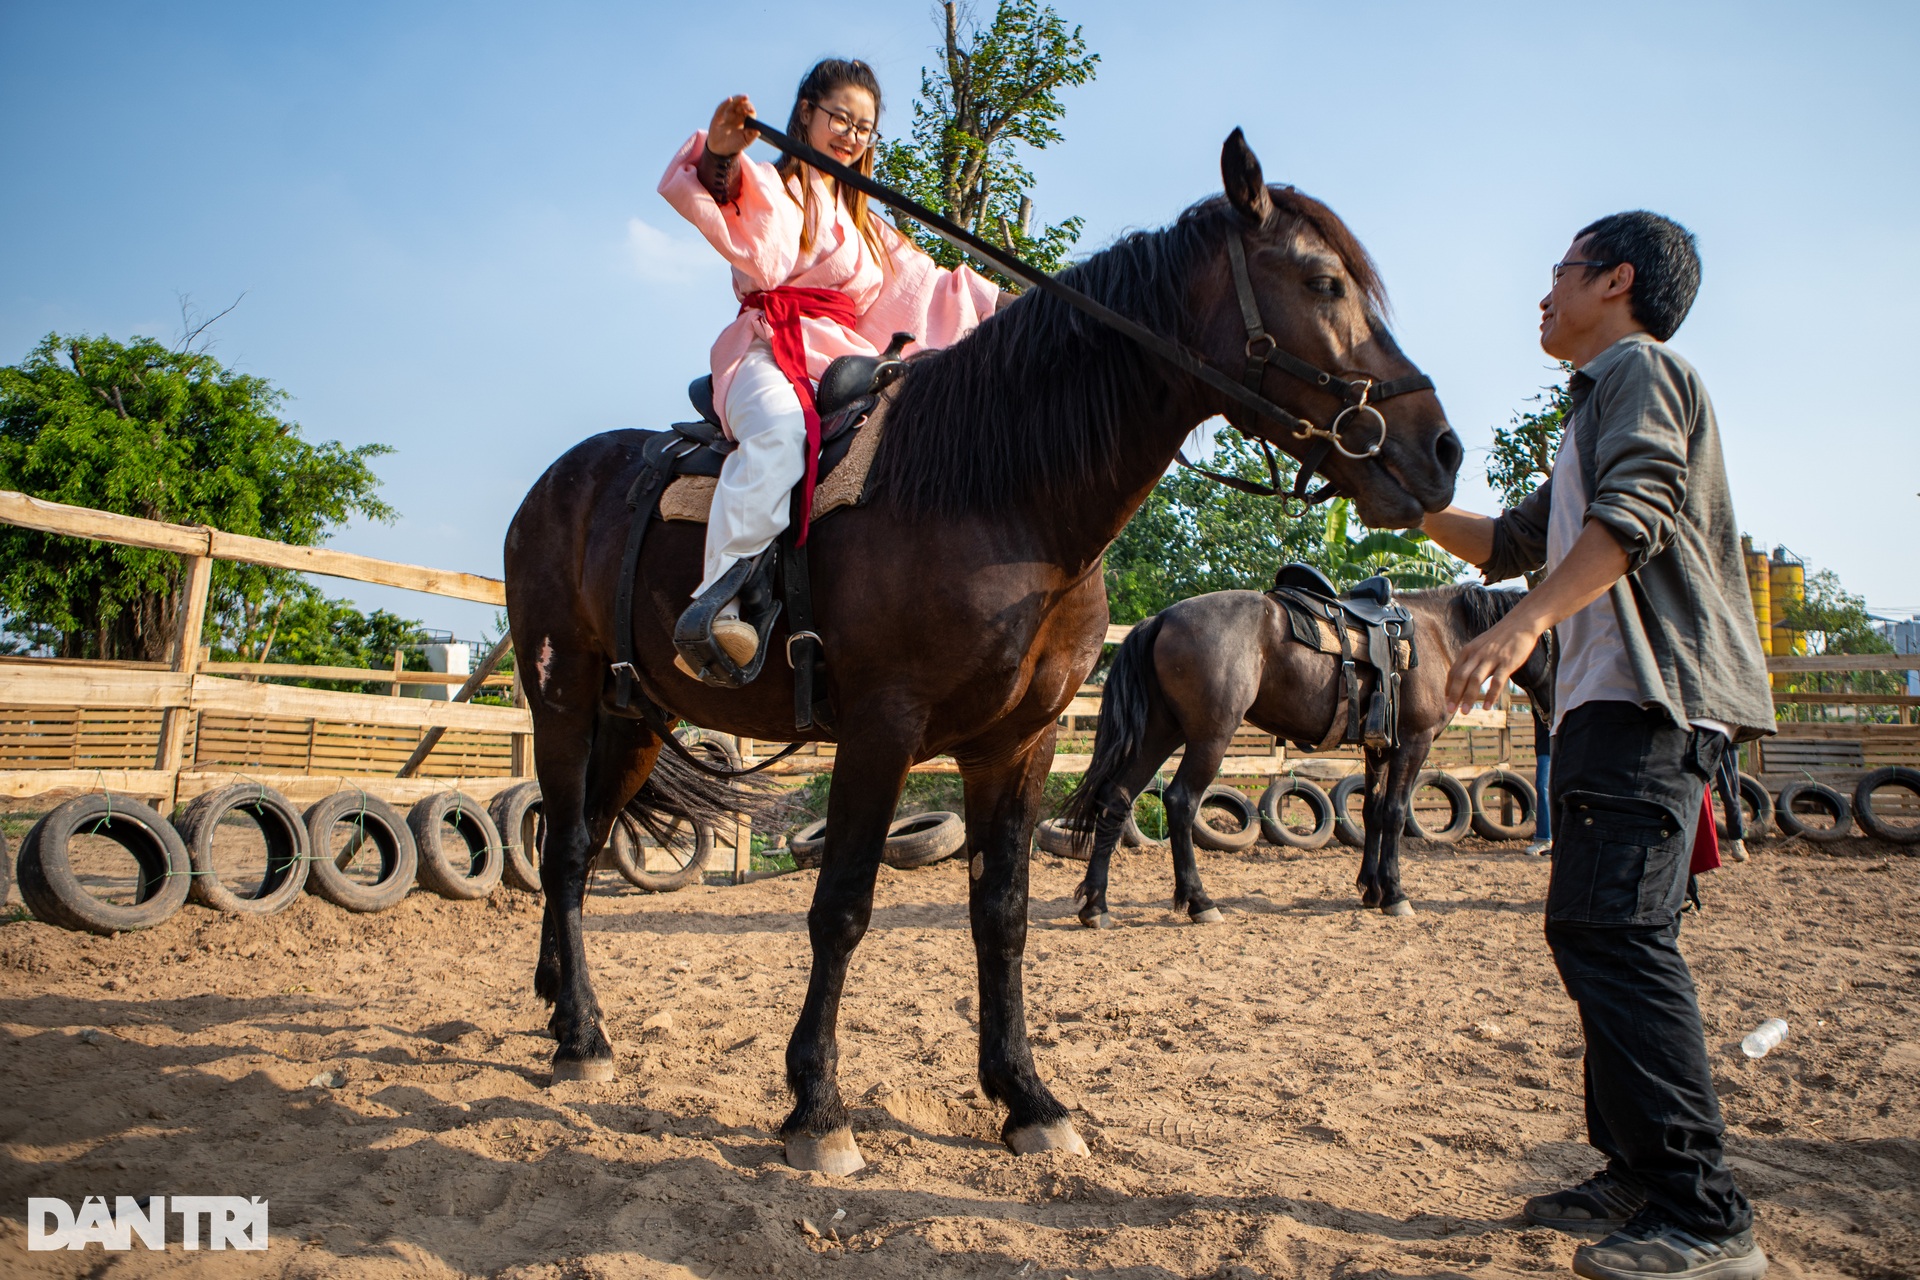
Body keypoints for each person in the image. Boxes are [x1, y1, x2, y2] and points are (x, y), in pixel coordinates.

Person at [1421, 212, 1775, 1280]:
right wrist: (1401, 496)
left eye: (1561, 272)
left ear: (1616, 279)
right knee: (1593, 932)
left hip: (1645, 706)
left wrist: (1522, 623)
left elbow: (1641, 511)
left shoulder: (1642, 372)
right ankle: (1631, 1170)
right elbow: (1510, 541)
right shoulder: (1590, 409)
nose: (1544, 294)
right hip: (1602, 708)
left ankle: (1707, 1215)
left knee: (1617, 939)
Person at [657, 59, 1001, 679]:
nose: (850, 134)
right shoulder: (776, 186)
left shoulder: (870, 228)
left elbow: (933, 288)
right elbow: (729, 193)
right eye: (839, 117)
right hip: (767, 347)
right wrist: (722, 153)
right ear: (807, 113)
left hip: (841, 360)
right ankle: (718, 603)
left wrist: (1026, 307)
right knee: (782, 433)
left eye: (864, 127)